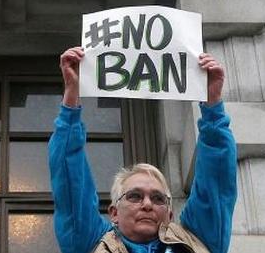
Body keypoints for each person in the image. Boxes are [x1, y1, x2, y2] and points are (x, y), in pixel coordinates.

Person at [48, 47, 237, 253]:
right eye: (135, 196)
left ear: (170, 215)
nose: (147, 205)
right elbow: (69, 178)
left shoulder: (196, 241)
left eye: (158, 199)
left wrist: (212, 103)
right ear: (114, 213)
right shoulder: (90, 243)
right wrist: (72, 94)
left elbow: (217, 178)